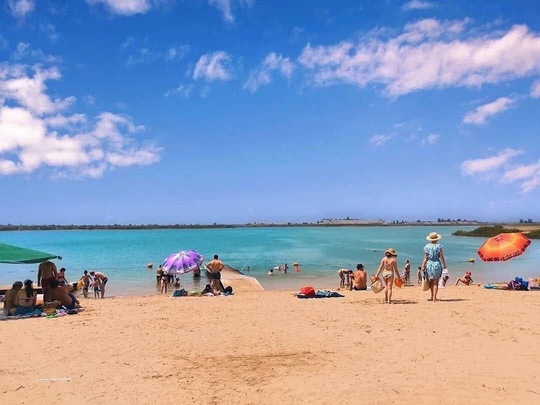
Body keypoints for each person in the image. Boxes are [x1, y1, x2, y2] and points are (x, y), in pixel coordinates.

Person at [421, 232, 448, 302]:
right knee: (435, 282)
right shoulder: (439, 246)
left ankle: (431, 296)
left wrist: (423, 265)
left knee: (430, 281)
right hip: (436, 264)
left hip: (429, 264)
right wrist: (444, 265)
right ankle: (434, 298)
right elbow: (441, 256)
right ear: (437, 239)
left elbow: (425, 257)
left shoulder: (427, 246)